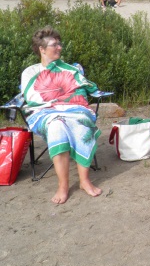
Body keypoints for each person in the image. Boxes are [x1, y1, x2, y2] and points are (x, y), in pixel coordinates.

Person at [21, 26, 103, 204]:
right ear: (42, 49)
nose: (59, 47)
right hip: (46, 112)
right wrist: (57, 103)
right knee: (57, 126)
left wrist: (67, 102)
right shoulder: (30, 72)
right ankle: (63, 186)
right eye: (54, 45)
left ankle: (84, 181)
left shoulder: (70, 69)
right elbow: (32, 97)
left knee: (80, 123)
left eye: (59, 44)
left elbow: (80, 88)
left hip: (75, 110)